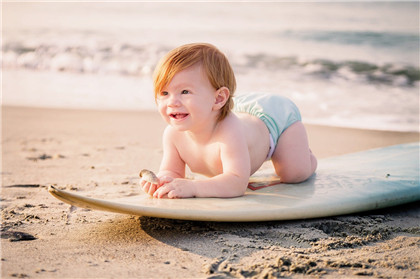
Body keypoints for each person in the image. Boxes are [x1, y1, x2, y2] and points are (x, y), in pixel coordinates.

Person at [140, 43, 317, 199]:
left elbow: (237, 183)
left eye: (185, 92)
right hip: (243, 111)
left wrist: (194, 187)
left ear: (218, 99)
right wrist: (162, 180)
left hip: (275, 119)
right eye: (164, 93)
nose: (172, 102)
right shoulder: (173, 134)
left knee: (293, 174)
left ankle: (305, 155)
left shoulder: (229, 131)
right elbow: (173, 172)